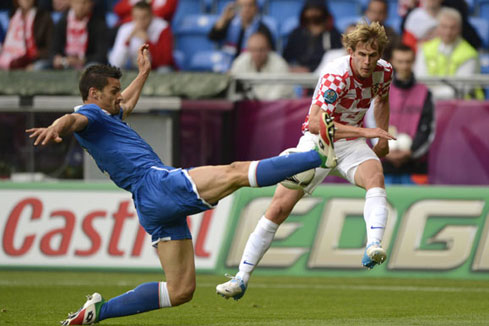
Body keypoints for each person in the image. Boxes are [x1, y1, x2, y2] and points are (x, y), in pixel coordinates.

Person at [26, 44, 336, 325]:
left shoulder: (107, 117)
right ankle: (317, 157)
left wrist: (144, 73)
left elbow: (127, 103)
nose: (119, 95)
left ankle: (97, 312)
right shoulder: (89, 113)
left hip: (148, 204)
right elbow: (72, 119)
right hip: (156, 183)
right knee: (235, 172)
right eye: (113, 90)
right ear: (94, 94)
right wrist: (56, 126)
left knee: (180, 290)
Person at [216, 21, 395, 300]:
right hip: (319, 143)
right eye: (361, 54)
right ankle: (241, 277)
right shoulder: (336, 75)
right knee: (279, 208)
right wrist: (367, 131)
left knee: (376, 177)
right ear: (351, 51)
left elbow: (381, 101)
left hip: (350, 144)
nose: (367, 61)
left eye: (373, 55)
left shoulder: (384, 72)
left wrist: (381, 139)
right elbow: (314, 123)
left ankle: (373, 245)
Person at [378, 43, 435, 184]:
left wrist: (411, 152)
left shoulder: (425, 92)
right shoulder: (381, 90)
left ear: (414, 61)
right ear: (392, 62)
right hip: (385, 162)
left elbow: (429, 128)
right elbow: (372, 122)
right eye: (400, 61)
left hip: (415, 165)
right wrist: (384, 149)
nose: (404, 66)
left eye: (408, 61)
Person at [414, 7, 483, 100]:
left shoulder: (469, 54)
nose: (448, 32)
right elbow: (419, 78)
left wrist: (429, 95)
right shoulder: (425, 48)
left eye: (453, 28)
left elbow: (461, 89)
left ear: (459, 29)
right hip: (429, 103)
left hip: (462, 106)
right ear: (437, 27)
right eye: (444, 26)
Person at [109, 0, 174, 71]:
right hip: (134, 68)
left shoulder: (163, 27)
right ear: (132, 16)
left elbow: (164, 61)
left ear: (152, 15)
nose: (140, 21)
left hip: (155, 68)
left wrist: (148, 41)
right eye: (136, 17)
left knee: (164, 69)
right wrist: (127, 42)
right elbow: (115, 63)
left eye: (144, 17)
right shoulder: (125, 29)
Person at [230, 31, 294, 100]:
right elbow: (233, 91)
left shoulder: (280, 64)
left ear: (268, 49)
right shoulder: (240, 62)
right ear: (248, 50)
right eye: (254, 49)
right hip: (250, 107)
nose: (258, 54)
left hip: (276, 107)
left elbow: (278, 96)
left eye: (261, 49)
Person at [283, 0, 342, 73]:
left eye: (317, 10)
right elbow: (286, 58)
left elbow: (338, 58)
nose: (313, 13)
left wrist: (311, 70)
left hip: (325, 74)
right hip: (299, 76)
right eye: (310, 10)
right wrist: (293, 68)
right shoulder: (297, 33)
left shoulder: (333, 34)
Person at [51, 0, 108, 70]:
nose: (80, 6)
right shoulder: (63, 22)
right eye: (77, 2)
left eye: (84, 3)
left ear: (91, 4)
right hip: (65, 62)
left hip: (87, 63)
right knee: (42, 66)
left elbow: (101, 55)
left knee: (93, 68)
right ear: (70, 3)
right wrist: (57, 58)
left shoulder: (99, 24)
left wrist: (81, 61)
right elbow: (54, 49)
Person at [208, 0, 274, 58]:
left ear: (256, 8)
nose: (246, 9)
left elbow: (270, 53)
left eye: (249, 6)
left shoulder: (263, 29)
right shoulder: (229, 24)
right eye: (241, 6)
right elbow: (212, 37)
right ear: (236, 8)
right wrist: (224, 18)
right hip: (227, 65)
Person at [0, 0, 53, 70]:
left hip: (35, 59)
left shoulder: (44, 17)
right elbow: (7, 45)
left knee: (37, 67)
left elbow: (50, 48)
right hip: (11, 58)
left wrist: (35, 54)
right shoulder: (13, 17)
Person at [113, 0, 178, 25]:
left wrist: (135, 17)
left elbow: (162, 14)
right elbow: (118, 10)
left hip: (154, 28)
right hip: (126, 25)